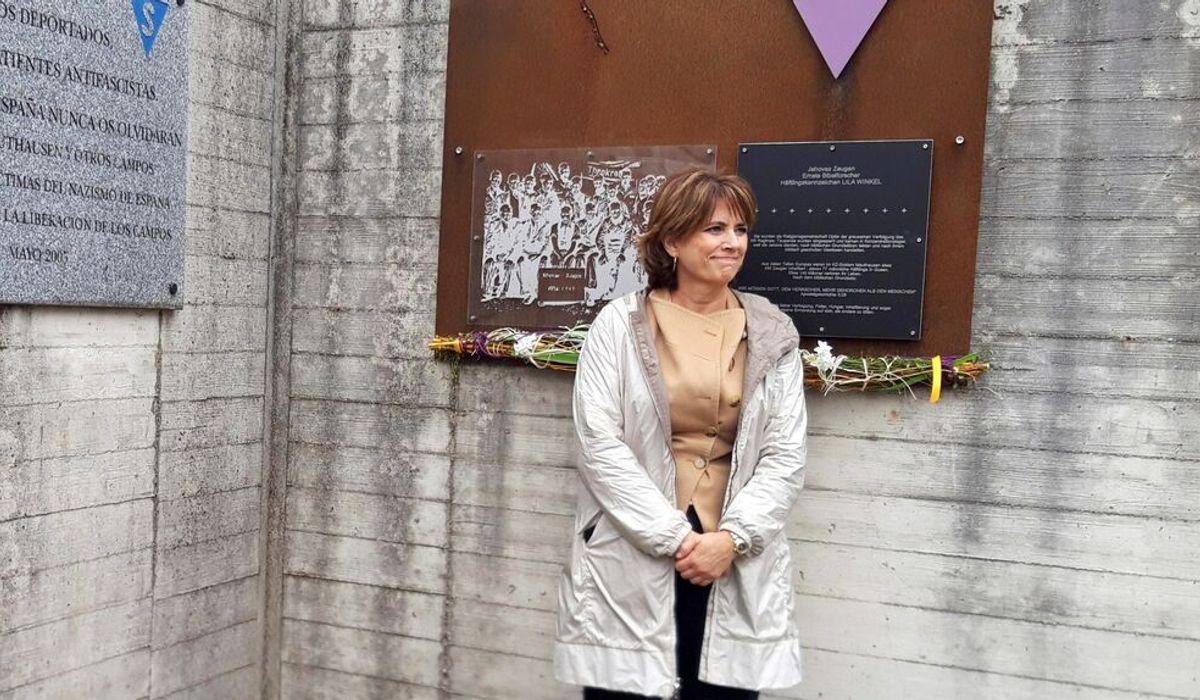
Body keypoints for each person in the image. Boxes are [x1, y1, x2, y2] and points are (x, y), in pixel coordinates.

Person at [555, 169, 808, 698]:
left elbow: (785, 454)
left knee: (719, 690)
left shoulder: (772, 332)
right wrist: (674, 537)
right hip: (636, 542)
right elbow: (598, 444)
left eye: (741, 229)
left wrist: (731, 540)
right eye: (715, 229)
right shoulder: (619, 326)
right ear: (672, 240)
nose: (733, 242)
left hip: (729, 551)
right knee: (626, 692)